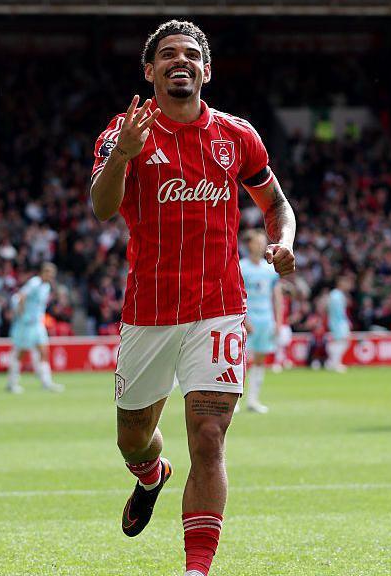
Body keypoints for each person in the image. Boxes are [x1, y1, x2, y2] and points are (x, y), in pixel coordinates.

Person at [88, 20, 296, 576]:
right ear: (150, 70)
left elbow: (276, 204)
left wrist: (283, 240)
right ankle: (151, 474)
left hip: (218, 309)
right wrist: (123, 155)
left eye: (190, 54)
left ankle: (196, 569)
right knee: (133, 438)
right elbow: (102, 208)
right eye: (167, 54)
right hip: (150, 311)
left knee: (208, 437)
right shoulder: (123, 131)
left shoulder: (237, 135)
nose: (180, 60)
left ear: (206, 69)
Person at [239, 230, 283, 413]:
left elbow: (277, 296)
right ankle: (234, 402)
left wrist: (278, 321)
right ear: (249, 244)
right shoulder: (241, 267)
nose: (260, 245)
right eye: (257, 242)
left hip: (266, 319)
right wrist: (244, 319)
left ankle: (253, 400)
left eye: (262, 242)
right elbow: (237, 295)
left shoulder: (270, 270)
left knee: (259, 360)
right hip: (247, 319)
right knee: (239, 360)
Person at [6, 263, 63, 393]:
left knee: (44, 352)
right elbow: (21, 296)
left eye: (52, 274)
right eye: (48, 273)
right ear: (42, 272)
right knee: (20, 353)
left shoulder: (46, 287)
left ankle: (46, 383)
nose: (50, 276)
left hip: (38, 324)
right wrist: (21, 314)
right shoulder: (34, 283)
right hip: (27, 324)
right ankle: (12, 383)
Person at [326, 275, 353, 372]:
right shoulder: (337, 295)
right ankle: (335, 363)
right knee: (341, 342)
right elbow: (338, 312)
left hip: (337, 322)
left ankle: (331, 362)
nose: (348, 285)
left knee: (340, 342)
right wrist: (345, 321)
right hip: (338, 323)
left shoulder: (335, 294)